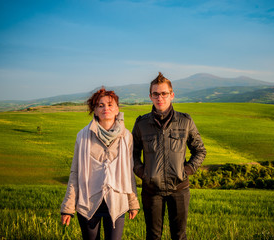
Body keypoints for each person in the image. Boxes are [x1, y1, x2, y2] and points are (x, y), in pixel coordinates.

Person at [132, 72, 206, 240]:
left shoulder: (185, 121)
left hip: (179, 190)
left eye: (164, 93)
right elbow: (132, 154)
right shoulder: (141, 124)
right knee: (153, 236)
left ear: (172, 95)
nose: (160, 97)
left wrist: (185, 171)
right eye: (156, 94)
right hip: (151, 191)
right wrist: (143, 173)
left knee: (179, 236)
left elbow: (200, 150)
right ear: (150, 96)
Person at [61, 87, 139, 240]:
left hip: (117, 202)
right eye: (100, 105)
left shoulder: (126, 136)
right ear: (94, 110)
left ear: (117, 109)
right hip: (88, 203)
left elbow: (128, 172)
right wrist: (68, 207)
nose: (106, 108)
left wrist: (133, 202)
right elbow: (75, 173)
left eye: (110, 104)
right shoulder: (83, 136)